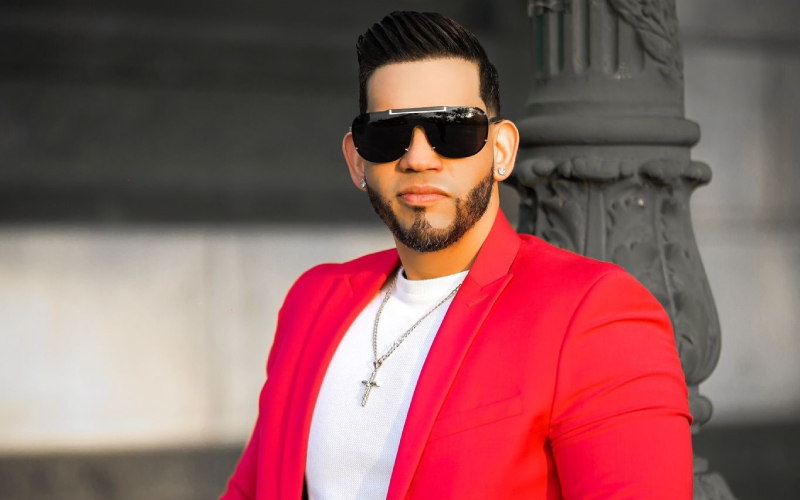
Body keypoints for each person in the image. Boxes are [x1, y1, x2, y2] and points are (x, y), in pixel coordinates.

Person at [221, 10, 692, 500]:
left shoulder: (593, 312)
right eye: (388, 134)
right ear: (357, 159)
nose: (418, 158)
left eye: (453, 130)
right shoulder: (313, 300)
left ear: (501, 150)